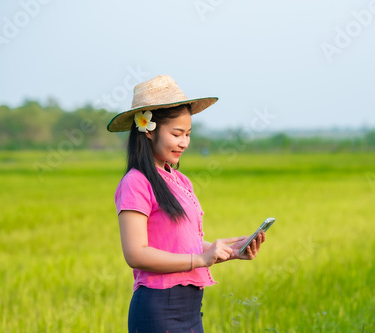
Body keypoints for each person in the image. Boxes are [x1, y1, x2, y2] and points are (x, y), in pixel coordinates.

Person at [107, 75, 266, 333]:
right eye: (176, 134)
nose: (184, 142)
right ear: (148, 130)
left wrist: (232, 249)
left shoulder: (180, 180)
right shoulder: (135, 183)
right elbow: (135, 254)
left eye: (188, 134)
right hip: (158, 308)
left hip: (190, 307)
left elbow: (182, 244)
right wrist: (200, 259)